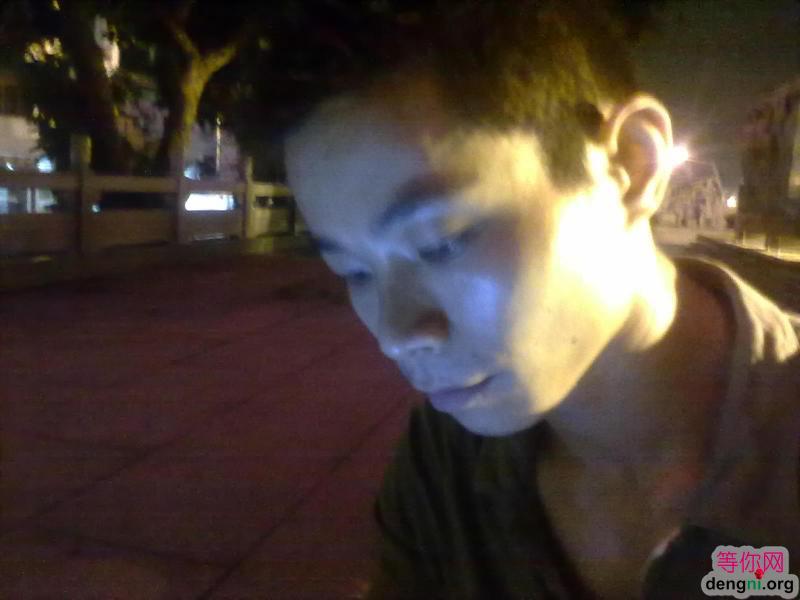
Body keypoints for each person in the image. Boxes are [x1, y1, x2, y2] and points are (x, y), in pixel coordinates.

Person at [283, 2, 800, 597]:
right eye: (352, 270)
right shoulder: (446, 460)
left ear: (631, 164)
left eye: (441, 241)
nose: (395, 333)